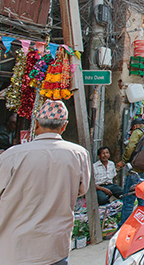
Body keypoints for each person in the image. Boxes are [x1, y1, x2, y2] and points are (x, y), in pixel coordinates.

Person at [0, 100, 90, 265]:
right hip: (54, 248)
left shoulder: (12, 155)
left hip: (15, 248)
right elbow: (81, 189)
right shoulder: (78, 154)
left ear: (36, 124)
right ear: (64, 126)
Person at [117, 117, 144, 227]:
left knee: (128, 200)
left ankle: (124, 226)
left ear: (135, 126)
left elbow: (130, 148)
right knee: (143, 200)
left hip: (136, 171)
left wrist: (123, 161)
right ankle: (142, 226)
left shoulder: (137, 132)